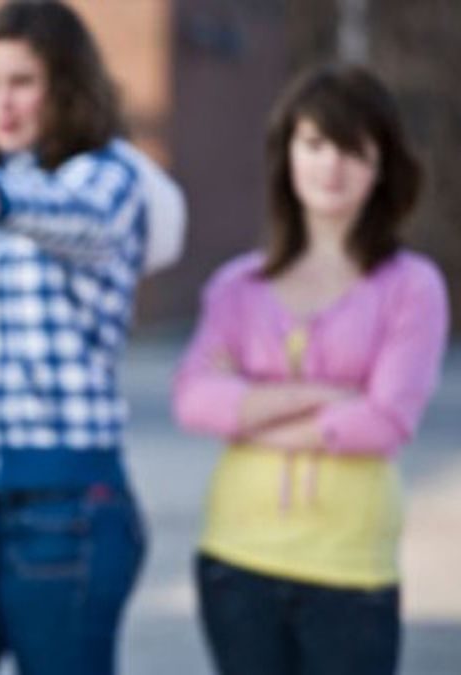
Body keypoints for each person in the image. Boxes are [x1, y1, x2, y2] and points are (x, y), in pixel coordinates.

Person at [0, 2, 187, 673]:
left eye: (22, 82)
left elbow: (80, 219)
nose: (0, 102)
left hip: (62, 504)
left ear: (64, 86)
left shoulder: (107, 176)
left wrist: (8, 203)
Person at [173, 63, 449, 675]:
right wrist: (326, 394)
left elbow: (385, 422)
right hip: (237, 557)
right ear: (286, 154)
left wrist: (249, 409)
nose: (331, 166)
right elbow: (193, 399)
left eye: (352, 149)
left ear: (381, 165)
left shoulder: (412, 287)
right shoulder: (238, 287)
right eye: (315, 144)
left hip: (349, 565)